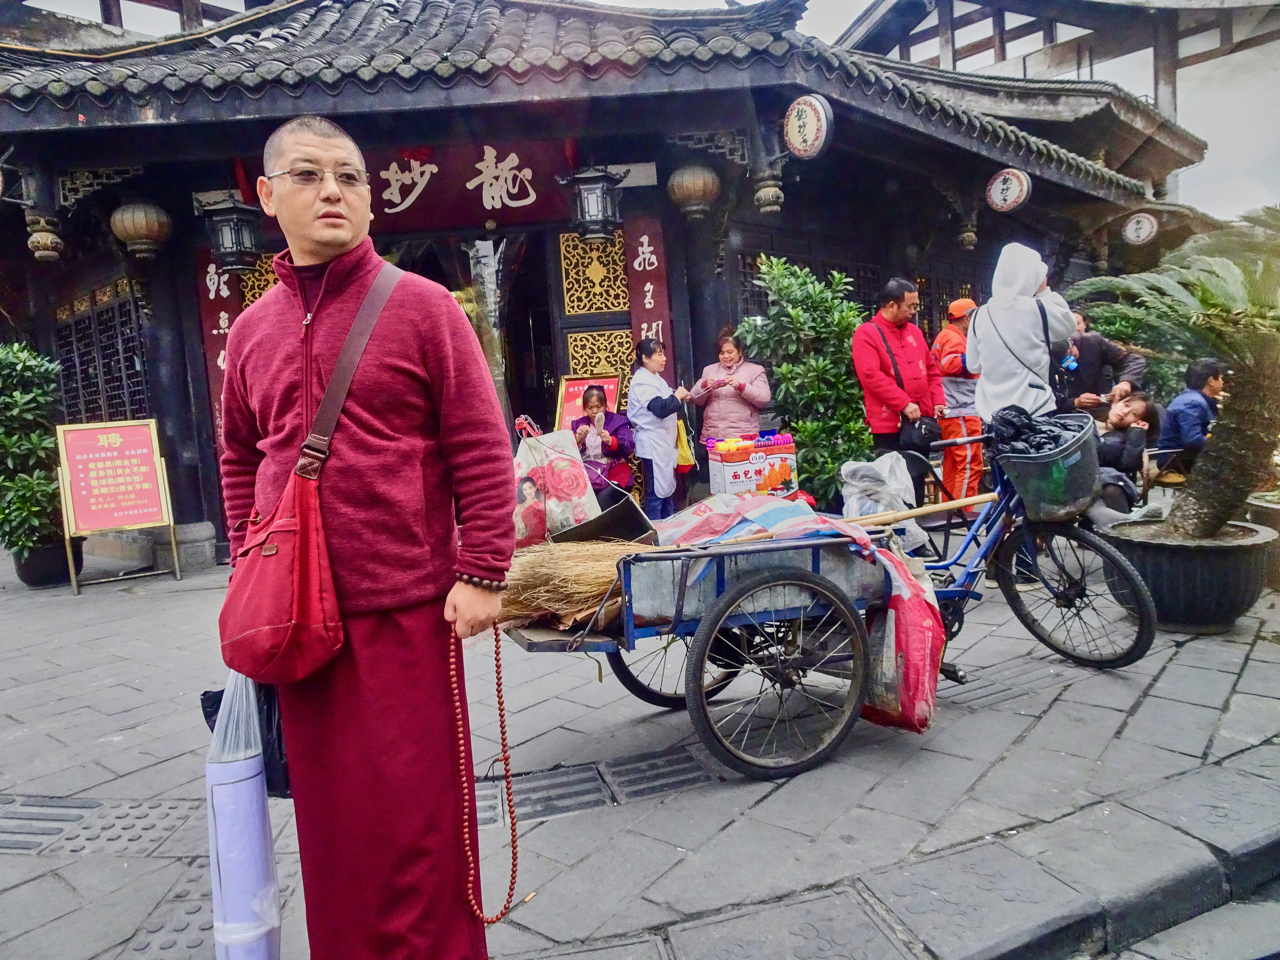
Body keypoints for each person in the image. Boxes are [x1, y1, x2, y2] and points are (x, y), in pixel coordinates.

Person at [221, 115, 515, 960]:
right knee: (334, 834)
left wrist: (483, 571)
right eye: (308, 175)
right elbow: (240, 457)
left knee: (419, 827)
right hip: (298, 622)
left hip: (406, 612)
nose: (333, 192)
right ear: (267, 195)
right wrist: (248, 566)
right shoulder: (250, 331)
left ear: (371, 200)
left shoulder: (423, 308)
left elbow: (481, 445)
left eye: (349, 177)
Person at [851, 277, 945, 505]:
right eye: (910, 306)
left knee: (917, 480)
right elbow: (870, 375)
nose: (913, 311)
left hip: (920, 420)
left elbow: (931, 371)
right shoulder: (867, 333)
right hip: (890, 424)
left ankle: (917, 522)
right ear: (892, 305)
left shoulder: (915, 332)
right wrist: (903, 403)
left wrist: (938, 401)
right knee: (893, 486)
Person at [968, 242, 1077, 422]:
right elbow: (1068, 326)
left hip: (993, 414)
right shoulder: (1038, 309)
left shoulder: (980, 314)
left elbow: (973, 365)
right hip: (1035, 406)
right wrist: (1044, 292)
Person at [627, 338, 689, 519]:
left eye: (663, 354)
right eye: (659, 354)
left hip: (664, 443)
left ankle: (670, 527)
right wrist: (677, 396)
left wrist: (680, 396)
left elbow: (668, 401)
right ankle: (657, 530)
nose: (664, 359)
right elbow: (660, 409)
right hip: (653, 444)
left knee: (667, 491)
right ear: (645, 358)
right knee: (655, 495)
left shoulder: (656, 379)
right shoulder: (641, 381)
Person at [931, 298, 983, 510]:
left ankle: (949, 513)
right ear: (968, 318)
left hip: (952, 412)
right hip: (961, 411)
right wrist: (978, 356)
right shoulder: (955, 337)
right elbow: (950, 364)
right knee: (970, 465)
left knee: (954, 466)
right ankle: (962, 514)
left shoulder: (945, 336)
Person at [692, 327, 771, 442]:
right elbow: (695, 398)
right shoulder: (709, 370)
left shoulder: (755, 370)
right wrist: (705, 386)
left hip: (743, 438)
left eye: (730, 352)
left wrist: (741, 387)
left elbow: (764, 398)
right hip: (713, 437)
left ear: (740, 351)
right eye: (721, 353)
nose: (726, 356)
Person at [1059, 310, 1147, 411]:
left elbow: (1134, 359)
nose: (1071, 359)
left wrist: (1126, 382)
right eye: (1065, 357)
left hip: (1102, 407)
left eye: (1071, 353)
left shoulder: (1092, 342)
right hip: (1066, 412)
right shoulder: (1047, 356)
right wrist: (1075, 402)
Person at [571, 384, 636, 509]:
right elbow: (566, 450)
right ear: (585, 408)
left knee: (603, 498)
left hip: (614, 473)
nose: (595, 411)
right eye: (590, 407)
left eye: (598, 406)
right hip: (588, 475)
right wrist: (577, 439)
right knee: (576, 498)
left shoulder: (617, 421)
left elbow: (630, 445)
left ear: (605, 405)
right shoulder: (578, 424)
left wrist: (612, 441)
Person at [1094, 392, 1159, 513]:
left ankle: (1125, 521)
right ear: (1115, 403)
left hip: (1111, 486)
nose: (1124, 412)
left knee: (1108, 487)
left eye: (1134, 414)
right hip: (1076, 482)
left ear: (1139, 421)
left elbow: (1128, 464)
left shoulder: (1126, 439)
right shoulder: (1086, 423)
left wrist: (1137, 433)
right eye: (1126, 405)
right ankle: (1128, 520)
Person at [1157, 358, 1224, 472]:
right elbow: (1192, 440)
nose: (1223, 382)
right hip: (1176, 460)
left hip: (1183, 457)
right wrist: (1222, 443)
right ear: (1211, 381)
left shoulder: (1193, 398)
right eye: (1221, 378)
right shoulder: (1192, 403)